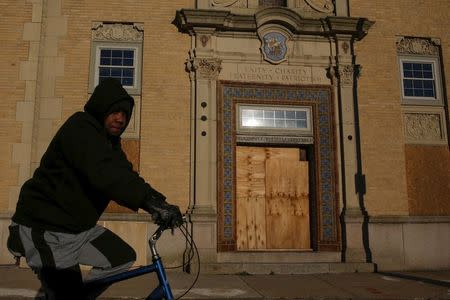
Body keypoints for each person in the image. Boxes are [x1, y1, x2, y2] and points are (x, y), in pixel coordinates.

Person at [6, 77, 183, 299]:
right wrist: (148, 202)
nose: (120, 118)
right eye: (115, 111)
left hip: (78, 230)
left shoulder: (110, 143)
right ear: (101, 108)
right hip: (45, 229)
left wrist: (158, 200)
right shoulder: (80, 128)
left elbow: (125, 175)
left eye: (125, 114)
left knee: (122, 257)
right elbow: (106, 174)